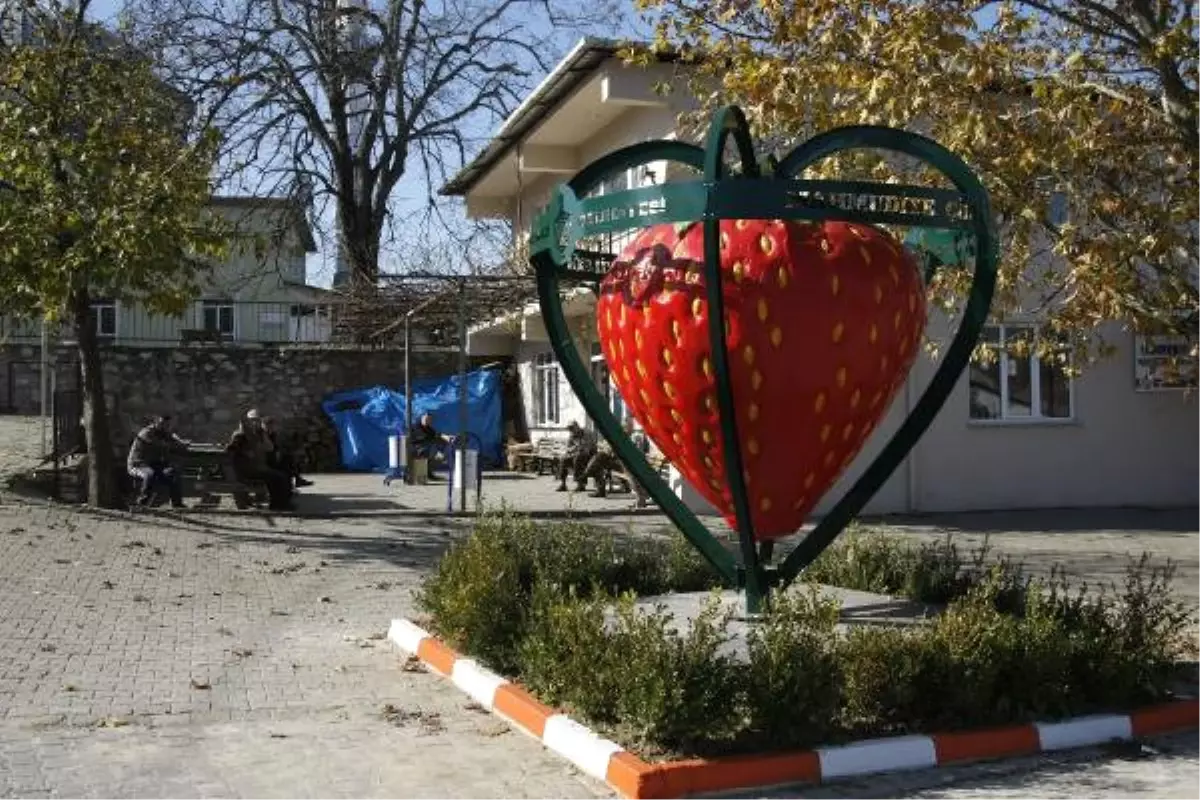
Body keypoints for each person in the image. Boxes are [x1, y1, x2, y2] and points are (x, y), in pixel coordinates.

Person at [226, 409, 293, 511]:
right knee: (278, 477)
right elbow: (230, 450)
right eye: (252, 420)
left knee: (282, 474)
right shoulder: (240, 434)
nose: (255, 422)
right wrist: (244, 452)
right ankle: (278, 505)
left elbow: (270, 448)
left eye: (257, 420)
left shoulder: (258, 434)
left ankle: (279, 504)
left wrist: (263, 434)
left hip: (257, 468)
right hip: (246, 470)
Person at [127, 415, 189, 508]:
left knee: (172, 473)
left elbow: (173, 438)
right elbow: (161, 445)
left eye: (167, 425)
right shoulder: (146, 433)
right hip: (138, 464)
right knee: (149, 474)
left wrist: (181, 442)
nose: (165, 426)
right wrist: (178, 444)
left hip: (154, 465)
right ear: (155, 423)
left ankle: (177, 504)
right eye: (162, 424)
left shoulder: (164, 432)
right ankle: (142, 503)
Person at [261, 416, 313, 489]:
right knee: (287, 462)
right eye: (269, 426)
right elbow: (266, 449)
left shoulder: (273, 434)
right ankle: (293, 483)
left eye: (272, 426)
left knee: (289, 458)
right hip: (265, 459)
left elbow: (275, 447)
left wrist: (278, 453)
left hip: (272, 456)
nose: (272, 428)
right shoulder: (262, 435)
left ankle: (295, 481)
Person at [556, 421, 597, 492]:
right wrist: (573, 449)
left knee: (578, 458)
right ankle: (563, 484)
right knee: (563, 459)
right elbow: (568, 448)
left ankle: (581, 484)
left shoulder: (586, 433)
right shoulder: (572, 435)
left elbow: (587, 449)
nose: (570, 430)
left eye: (572, 428)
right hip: (577, 454)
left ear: (577, 427)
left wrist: (576, 448)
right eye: (569, 429)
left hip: (590, 456)